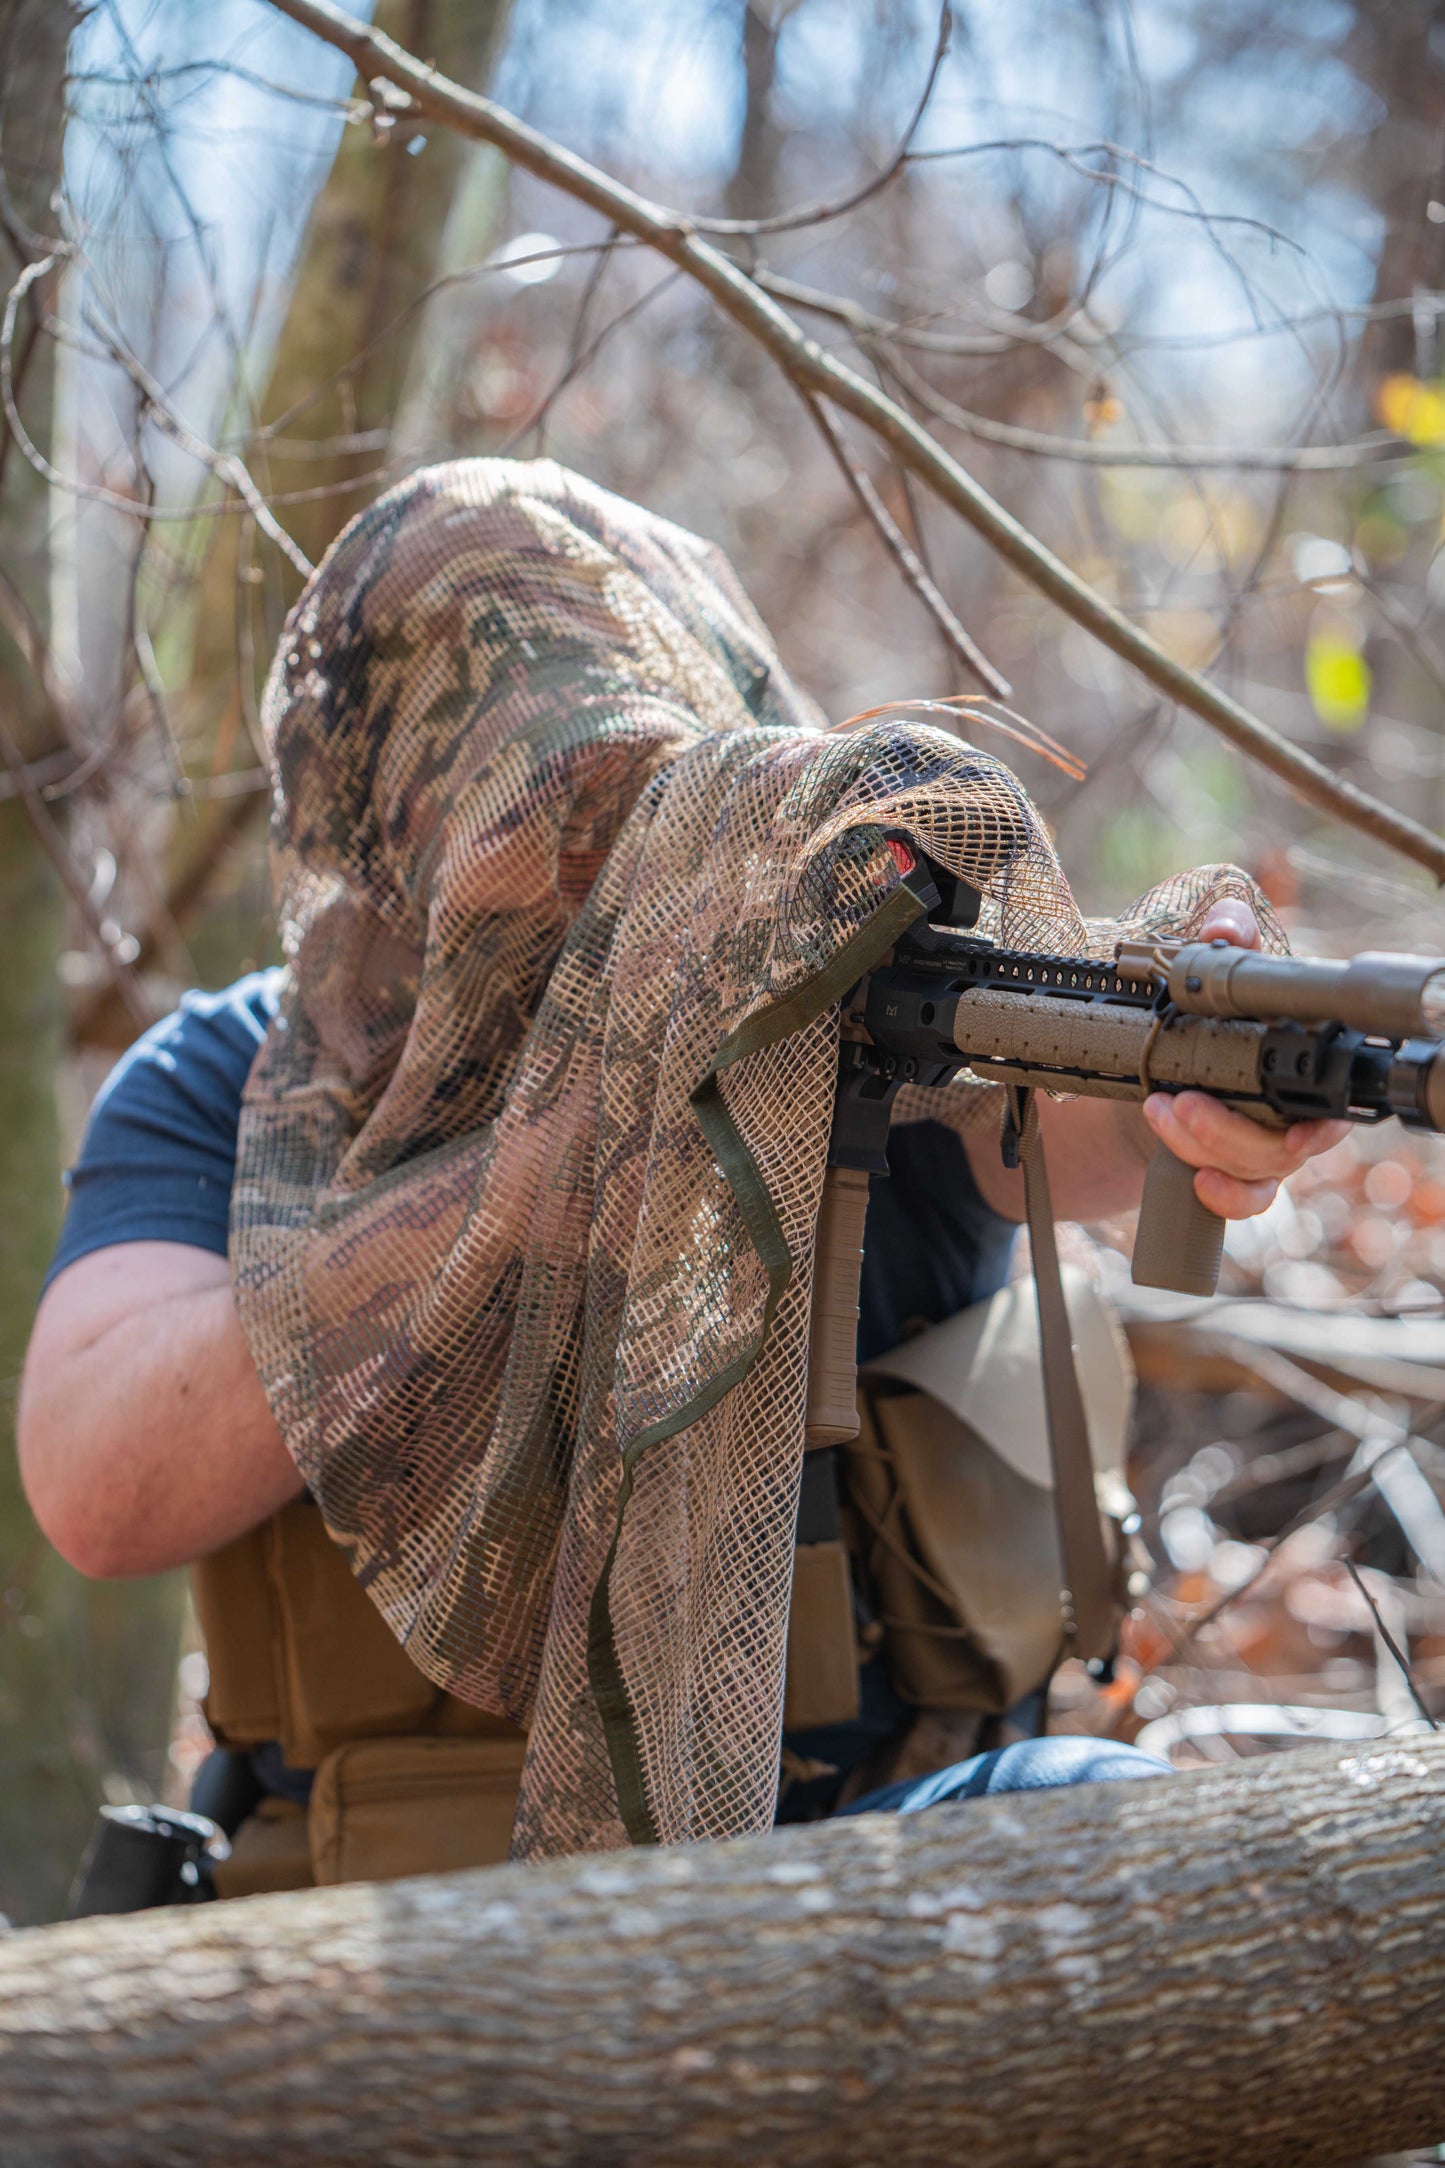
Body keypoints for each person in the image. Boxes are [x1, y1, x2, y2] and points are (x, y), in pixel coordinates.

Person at [16, 461, 1349, 1895]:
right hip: (424, 1933)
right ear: (396, 810)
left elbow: (1065, 1111)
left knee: (1109, 1834)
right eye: (529, 814)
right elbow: (100, 1478)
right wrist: (540, 1171)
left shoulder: (839, 984)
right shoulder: (238, 1082)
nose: (575, 875)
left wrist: (1199, 1063)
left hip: (914, 1853)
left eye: (631, 801)